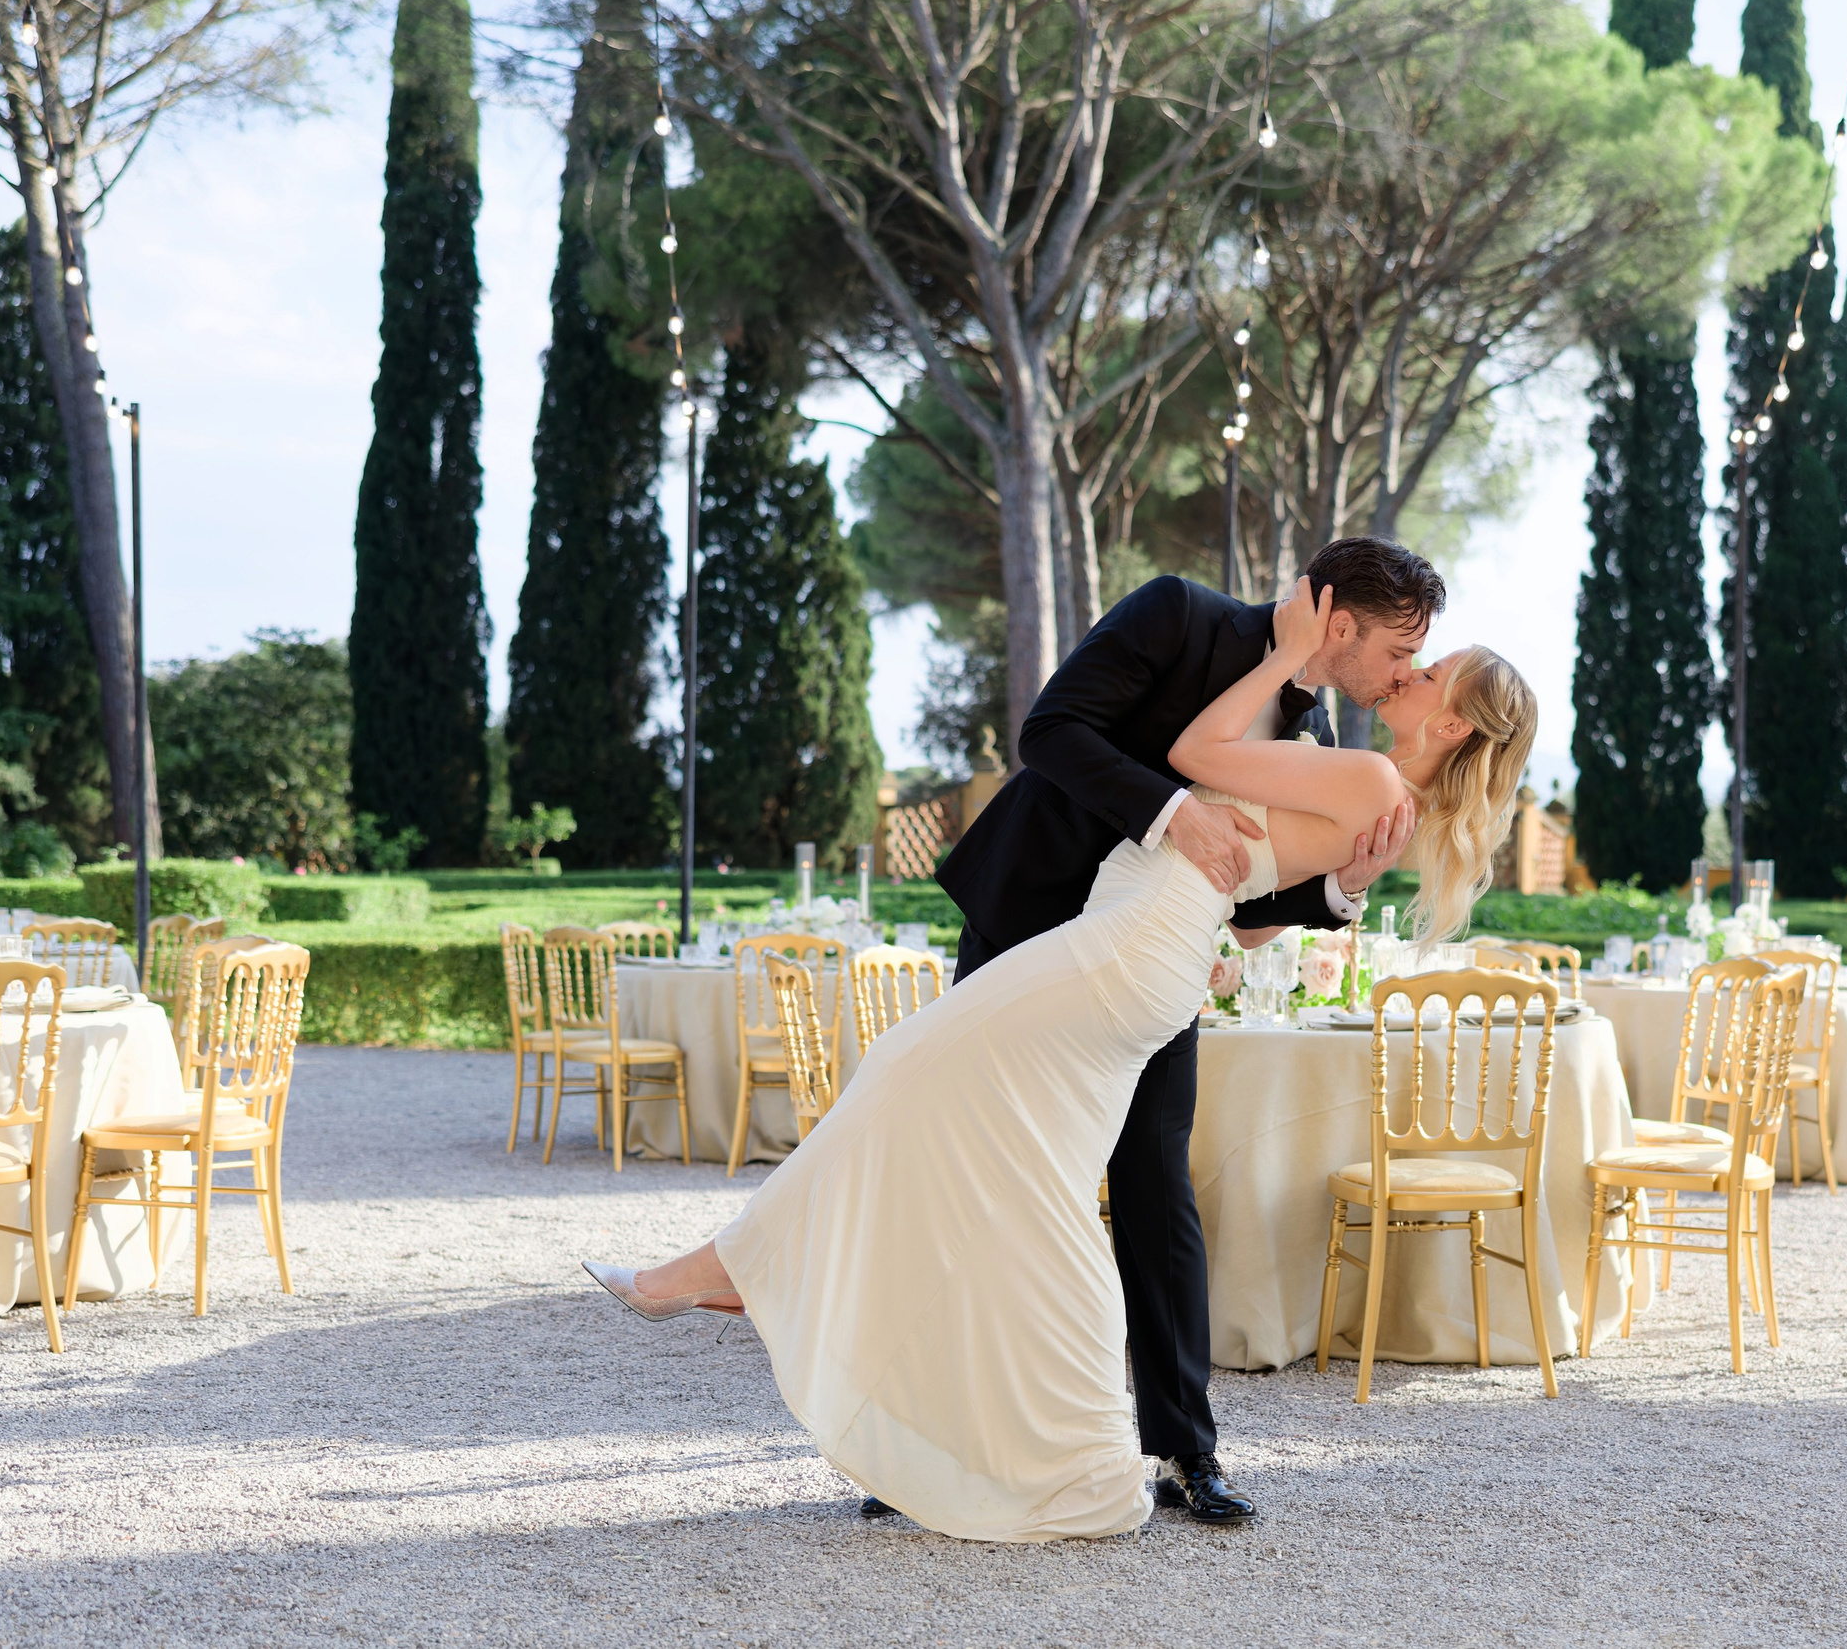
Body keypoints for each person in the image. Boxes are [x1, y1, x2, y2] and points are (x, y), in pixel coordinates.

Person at [584, 561, 1538, 1543]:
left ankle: (1174, 1448)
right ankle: (945, 1436)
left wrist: (1343, 888)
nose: (1398, 675)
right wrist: (1184, 816)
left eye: (1420, 669)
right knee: (986, 1173)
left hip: (1129, 959)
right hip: (1041, 916)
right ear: (1336, 621)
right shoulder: (1180, 616)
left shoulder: (1338, 741)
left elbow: (1253, 904)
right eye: (1398, 652)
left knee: (1127, 1182)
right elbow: (1052, 734)